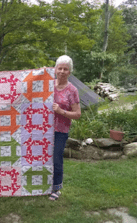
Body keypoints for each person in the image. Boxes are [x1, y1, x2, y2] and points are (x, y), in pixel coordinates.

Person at [50, 55, 81, 201]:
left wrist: (61, 111)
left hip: (60, 130)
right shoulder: (47, 85)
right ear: (55, 69)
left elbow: (77, 114)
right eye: (60, 68)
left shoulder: (72, 90)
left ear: (70, 72)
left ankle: (56, 188)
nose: (62, 71)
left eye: (65, 69)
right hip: (43, 130)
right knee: (41, 157)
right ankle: (41, 185)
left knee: (56, 158)